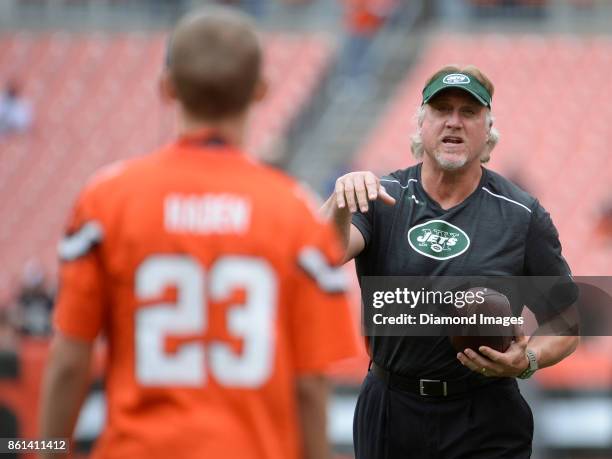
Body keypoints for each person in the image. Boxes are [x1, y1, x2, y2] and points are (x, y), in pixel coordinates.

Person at [39, 7, 357, 459]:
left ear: (167, 88)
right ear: (261, 90)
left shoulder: (106, 202)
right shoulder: (296, 214)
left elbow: (70, 358)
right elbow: (309, 385)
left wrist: (46, 451)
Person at [320, 64, 579, 458]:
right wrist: (338, 202)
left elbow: (566, 322)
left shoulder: (522, 215)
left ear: (487, 131)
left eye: (468, 112)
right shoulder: (381, 198)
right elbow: (322, 254)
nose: (454, 122)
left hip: (485, 414)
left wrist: (526, 360)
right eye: (442, 110)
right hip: (392, 408)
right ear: (421, 124)